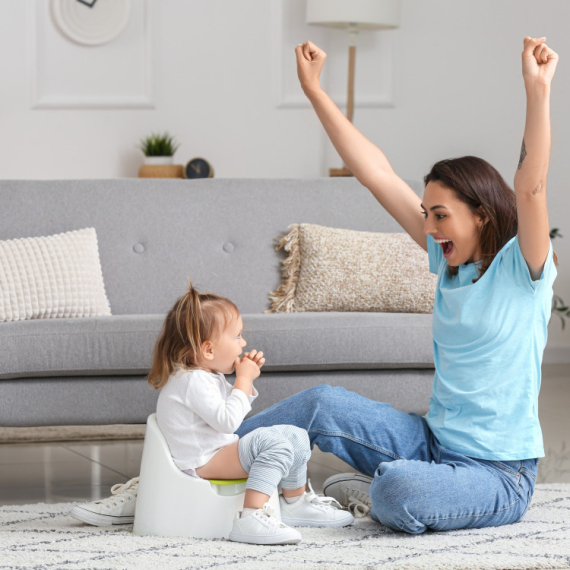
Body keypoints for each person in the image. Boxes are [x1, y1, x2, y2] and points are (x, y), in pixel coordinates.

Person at [72, 35, 559, 535]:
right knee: (322, 402)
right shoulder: (449, 261)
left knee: (398, 491)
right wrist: (314, 91)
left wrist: (536, 89)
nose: (429, 228)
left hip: (497, 473)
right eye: (426, 215)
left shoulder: (524, 268)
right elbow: (376, 173)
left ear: (480, 215)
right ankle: (173, 475)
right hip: (432, 441)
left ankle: (383, 487)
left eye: (441, 216)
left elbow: (531, 186)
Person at [71, 282, 353, 544]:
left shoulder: (203, 376)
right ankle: (250, 517)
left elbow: (224, 417)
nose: (243, 343)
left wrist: (243, 380)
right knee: (275, 444)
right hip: (203, 461)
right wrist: (244, 380)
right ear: (207, 349)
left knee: (296, 435)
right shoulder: (191, 381)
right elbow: (228, 421)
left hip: (215, 452)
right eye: (237, 336)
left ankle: (294, 503)